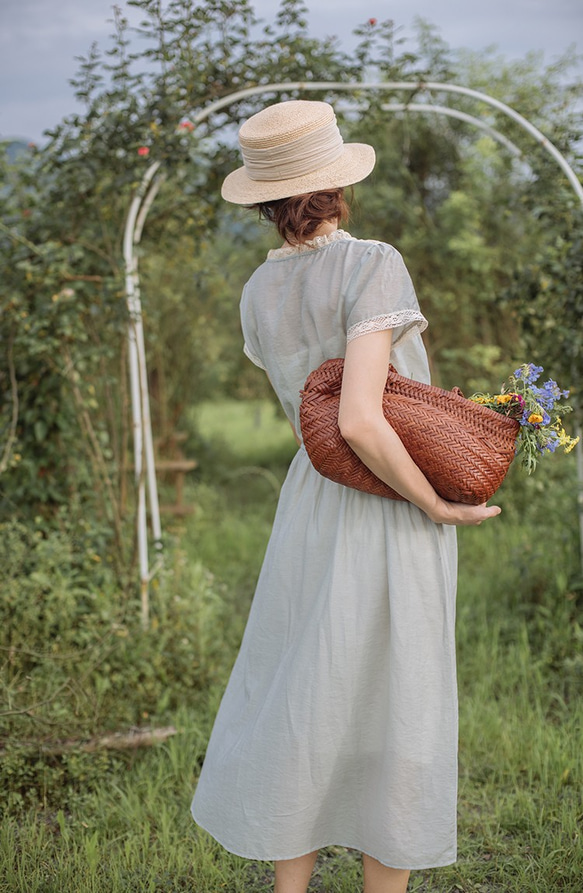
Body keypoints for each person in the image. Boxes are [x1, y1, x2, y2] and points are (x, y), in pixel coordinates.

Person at [191, 99, 500, 893]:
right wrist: (434, 504)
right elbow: (362, 418)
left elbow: (316, 421)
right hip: (387, 500)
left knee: (310, 692)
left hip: (310, 502)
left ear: (263, 198)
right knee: (396, 705)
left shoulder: (258, 293)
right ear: (337, 185)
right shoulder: (373, 263)